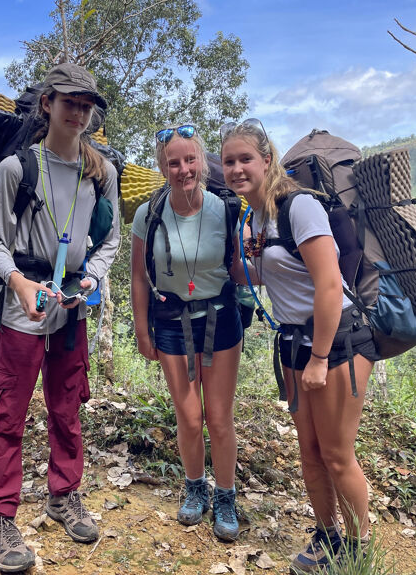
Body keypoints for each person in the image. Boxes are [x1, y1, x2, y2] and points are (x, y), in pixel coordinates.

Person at [0, 63, 120, 573]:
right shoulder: (19, 168)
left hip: (71, 308)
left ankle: (64, 494)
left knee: (66, 406)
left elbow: (110, 243)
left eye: (86, 105)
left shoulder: (102, 172)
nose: (79, 112)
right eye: (70, 102)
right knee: (8, 410)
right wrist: (17, 281)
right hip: (23, 305)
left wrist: (92, 279)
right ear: (47, 105)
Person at [220, 119, 378, 573]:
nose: (236, 169)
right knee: (309, 451)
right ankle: (327, 534)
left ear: (267, 160)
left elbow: (330, 286)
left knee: (336, 453)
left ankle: (359, 548)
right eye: (229, 161)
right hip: (292, 341)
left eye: (245, 159)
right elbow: (243, 277)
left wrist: (321, 357)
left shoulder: (299, 206)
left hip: (338, 341)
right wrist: (245, 252)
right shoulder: (256, 217)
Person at [130, 124, 245, 542]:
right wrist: (143, 331)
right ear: (163, 167)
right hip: (172, 322)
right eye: (173, 162)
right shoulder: (149, 214)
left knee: (219, 418)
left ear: (201, 161)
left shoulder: (225, 208)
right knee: (190, 418)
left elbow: (239, 271)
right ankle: (195, 488)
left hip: (220, 320)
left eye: (190, 159)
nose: (183, 169)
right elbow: (140, 278)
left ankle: (227, 495)